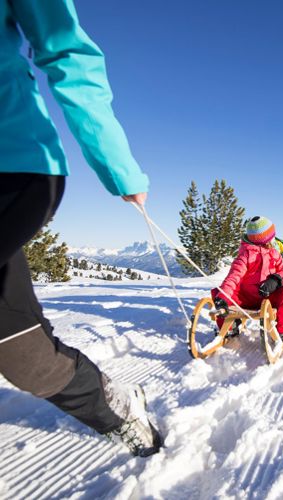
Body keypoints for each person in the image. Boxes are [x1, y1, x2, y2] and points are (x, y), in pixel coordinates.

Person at [0, 0, 161, 456]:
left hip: (11, 165)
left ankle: (118, 407)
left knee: (21, 355)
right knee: (23, 354)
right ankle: (116, 404)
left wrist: (118, 166)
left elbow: (66, 49)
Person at [212, 216, 283, 342]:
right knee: (219, 294)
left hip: (268, 298)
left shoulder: (274, 254)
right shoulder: (245, 256)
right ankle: (229, 327)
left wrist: (276, 279)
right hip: (245, 299)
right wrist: (223, 298)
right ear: (266, 239)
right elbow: (233, 277)